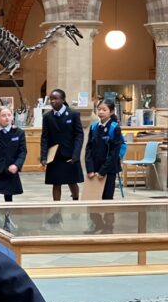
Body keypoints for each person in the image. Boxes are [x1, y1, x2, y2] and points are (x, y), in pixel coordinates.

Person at [85, 99, 123, 232]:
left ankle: (108, 227)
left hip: (109, 170)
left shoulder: (114, 128)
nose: (101, 112)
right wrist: (90, 169)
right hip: (94, 169)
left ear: (111, 112)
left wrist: (102, 171)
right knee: (92, 198)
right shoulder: (94, 127)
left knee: (107, 198)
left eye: (104, 109)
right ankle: (97, 224)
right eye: (99, 109)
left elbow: (114, 153)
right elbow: (88, 149)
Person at [40, 89, 84, 202]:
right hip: (54, 156)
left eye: (55, 99)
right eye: (51, 99)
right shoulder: (47, 117)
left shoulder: (73, 114)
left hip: (70, 155)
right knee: (56, 183)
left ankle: (75, 200)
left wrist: (76, 154)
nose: (52, 101)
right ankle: (56, 208)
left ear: (63, 100)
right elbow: (45, 138)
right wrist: (44, 156)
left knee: (72, 182)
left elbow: (79, 135)